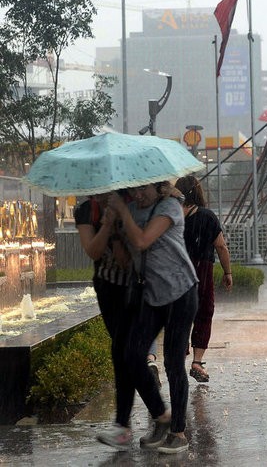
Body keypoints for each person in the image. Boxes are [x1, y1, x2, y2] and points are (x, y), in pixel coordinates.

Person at [108, 181, 198, 455]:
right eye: (133, 190)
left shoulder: (169, 206)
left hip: (181, 292)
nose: (137, 195)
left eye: (143, 189)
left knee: (173, 362)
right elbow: (126, 258)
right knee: (132, 355)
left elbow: (143, 240)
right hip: (152, 294)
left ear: (158, 187)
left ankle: (178, 432)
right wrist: (114, 229)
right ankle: (161, 416)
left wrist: (123, 212)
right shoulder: (132, 209)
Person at [75, 191, 134, 449]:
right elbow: (93, 250)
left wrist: (121, 226)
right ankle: (148, 417)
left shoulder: (132, 202)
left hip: (135, 287)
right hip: (107, 288)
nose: (99, 193)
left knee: (124, 352)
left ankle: (128, 424)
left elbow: (127, 259)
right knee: (123, 354)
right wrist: (108, 225)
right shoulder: (87, 210)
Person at [175, 175, 233, 383]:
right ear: (198, 192)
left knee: (180, 316)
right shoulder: (207, 217)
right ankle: (197, 363)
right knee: (203, 312)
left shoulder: (171, 217)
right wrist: (228, 272)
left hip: (177, 273)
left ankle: (178, 359)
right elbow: (221, 246)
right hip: (202, 271)